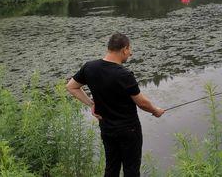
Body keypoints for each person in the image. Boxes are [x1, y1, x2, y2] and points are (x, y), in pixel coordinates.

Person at [66, 32, 165, 177]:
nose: (130, 54)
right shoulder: (124, 74)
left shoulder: (90, 67)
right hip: (129, 131)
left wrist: (91, 104)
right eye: (130, 50)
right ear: (124, 49)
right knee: (131, 170)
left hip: (107, 129)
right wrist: (155, 111)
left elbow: (71, 86)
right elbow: (142, 103)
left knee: (111, 168)